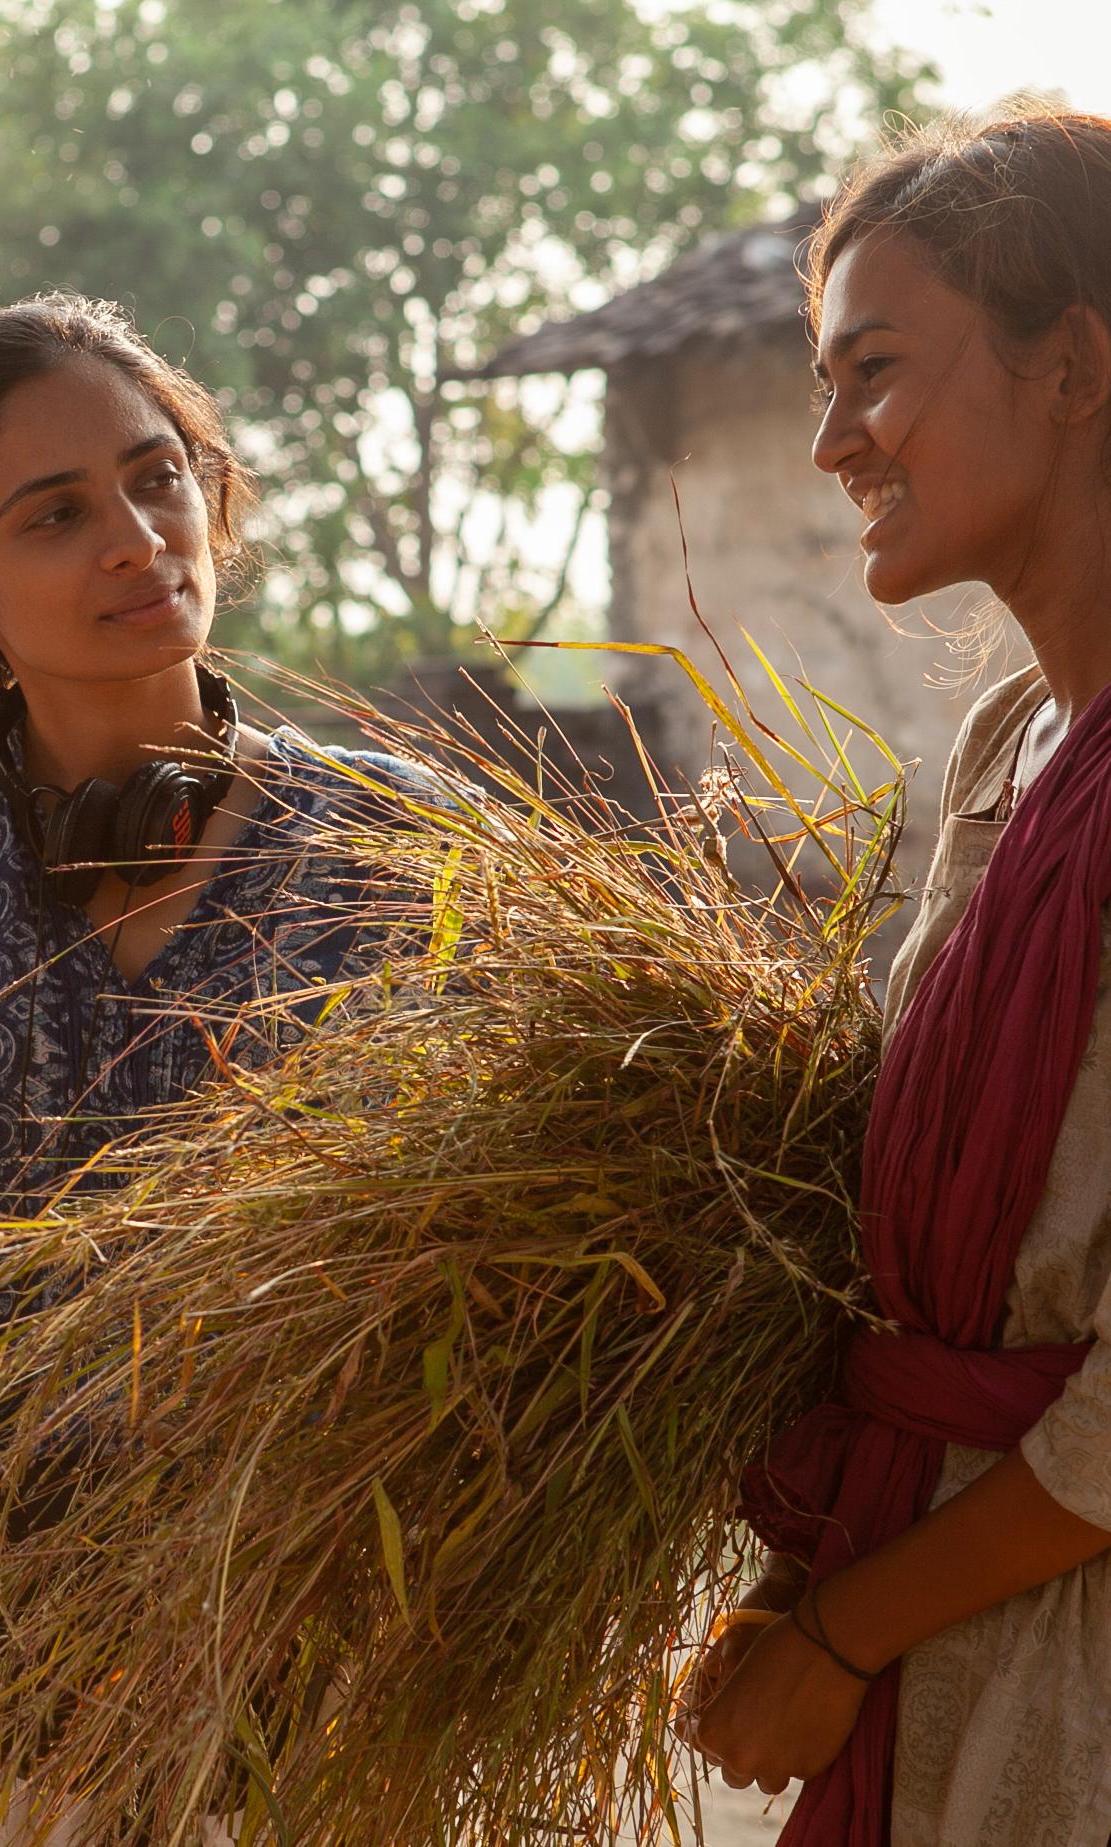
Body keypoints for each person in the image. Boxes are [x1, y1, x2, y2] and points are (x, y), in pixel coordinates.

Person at [676, 110, 1111, 1845]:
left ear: (1071, 365)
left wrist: (848, 1629)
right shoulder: (1016, 744)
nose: (832, 442)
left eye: (873, 373)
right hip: (954, 1623)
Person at [0, 292, 432, 1839]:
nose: (139, 539)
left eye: (159, 478)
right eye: (55, 513)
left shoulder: (405, 852)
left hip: (325, 1712)